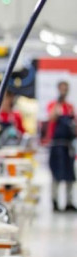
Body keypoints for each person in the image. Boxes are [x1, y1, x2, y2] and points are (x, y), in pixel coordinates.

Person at [46, 81, 76, 212]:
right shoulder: (53, 105)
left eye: (66, 89)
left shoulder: (70, 107)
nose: (64, 91)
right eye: (62, 89)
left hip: (67, 145)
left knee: (70, 175)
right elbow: (51, 118)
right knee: (56, 174)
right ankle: (55, 201)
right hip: (56, 145)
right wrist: (57, 106)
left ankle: (69, 201)